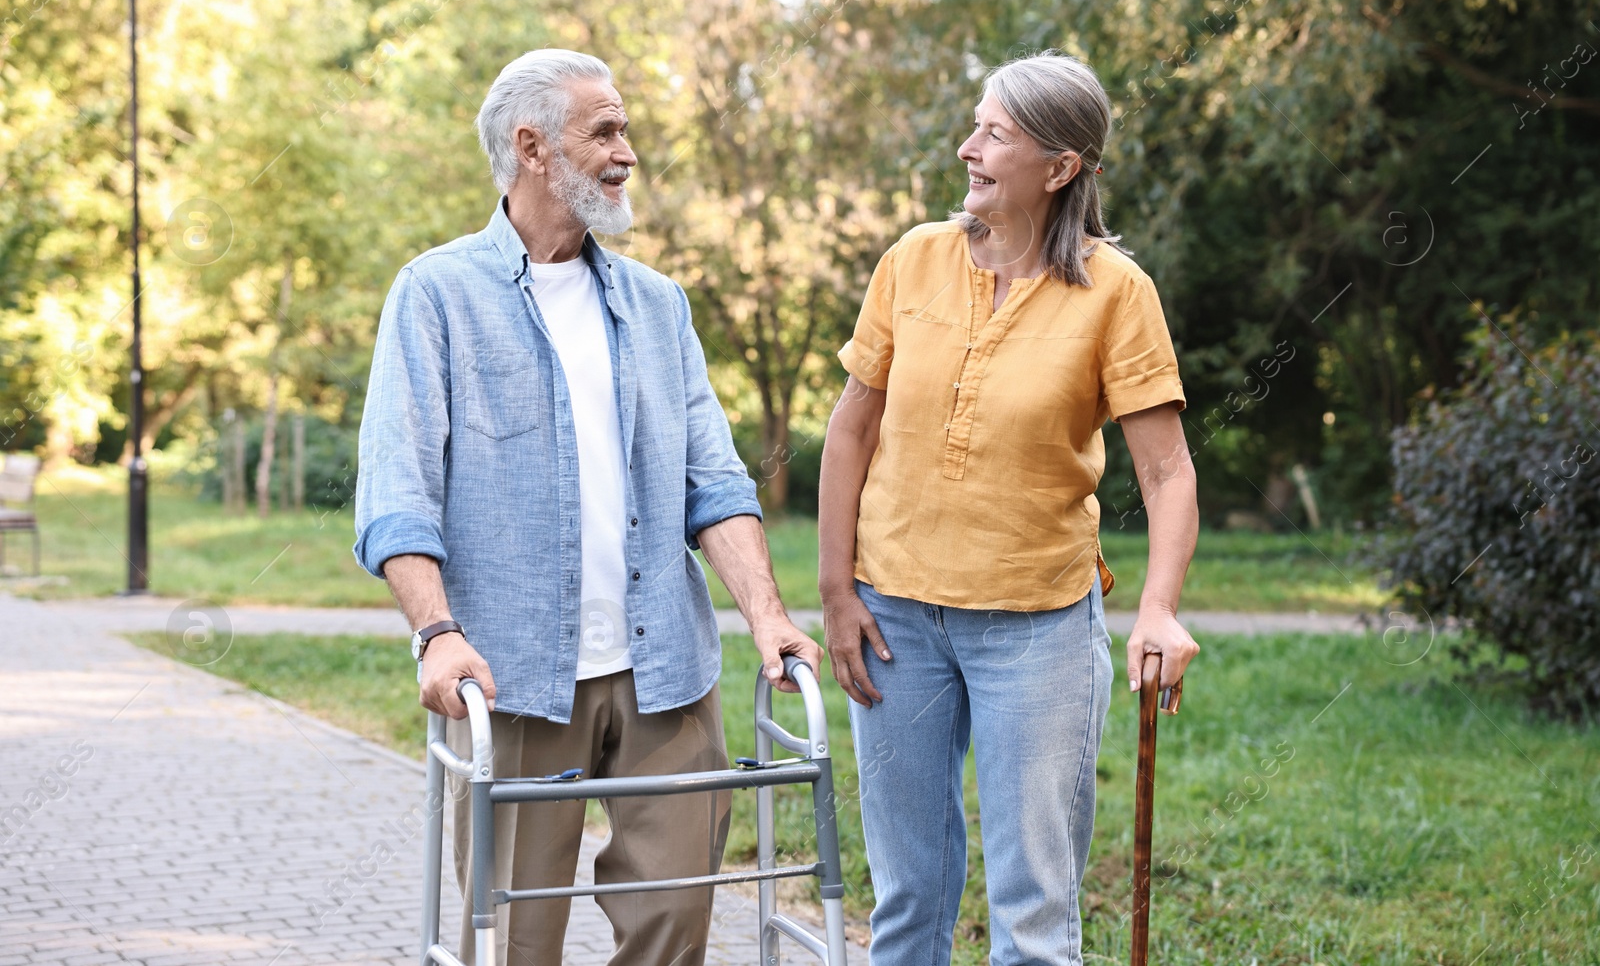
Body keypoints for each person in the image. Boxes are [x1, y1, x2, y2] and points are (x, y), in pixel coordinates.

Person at [353, 48, 821, 966]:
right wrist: (436, 632)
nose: (627, 151)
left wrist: (766, 613)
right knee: (517, 940)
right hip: (514, 675)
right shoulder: (436, 295)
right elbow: (396, 490)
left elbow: (714, 479)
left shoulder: (657, 305)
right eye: (603, 129)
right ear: (531, 146)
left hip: (666, 671)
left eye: (625, 129)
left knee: (676, 923)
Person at [817, 51, 1200, 966]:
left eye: (995, 133)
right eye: (975, 125)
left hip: (1038, 632)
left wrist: (1158, 606)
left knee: (1033, 915)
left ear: (1061, 166)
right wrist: (836, 589)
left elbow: (1169, 473)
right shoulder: (915, 260)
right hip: (894, 620)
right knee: (907, 899)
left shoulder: (1116, 291)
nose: (967, 147)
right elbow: (849, 432)